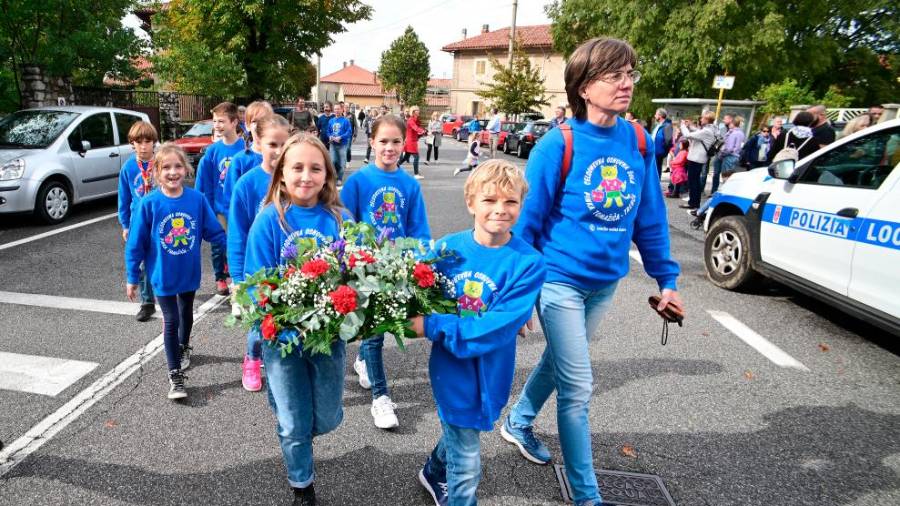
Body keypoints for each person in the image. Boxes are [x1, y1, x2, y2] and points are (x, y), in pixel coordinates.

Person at [499, 37, 682, 506]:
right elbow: (527, 228)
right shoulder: (555, 145)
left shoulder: (638, 140)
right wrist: (519, 299)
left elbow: (650, 217)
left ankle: (519, 420)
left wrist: (667, 281)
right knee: (577, 387)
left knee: (559, 364)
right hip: (558, 280)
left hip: (606, 283)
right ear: (583, 86)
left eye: (630, 74)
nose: (626, 84)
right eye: (614, 75)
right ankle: (587, 496)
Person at [411, 160, 545, 506]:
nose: (500, 210)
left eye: (510, 202)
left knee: (465, 428)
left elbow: (494, 328)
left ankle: (434, 469)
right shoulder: (445, 251)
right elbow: (409, 286)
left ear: (520, 205)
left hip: (494, 367)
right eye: (489, 200)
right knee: (468, 462)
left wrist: (432, 324)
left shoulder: (528, 263)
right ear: (471, 202)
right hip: (452, 368)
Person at [243, 133, 348, 506]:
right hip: (281, 338)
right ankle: (301, 484)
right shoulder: (270, 220)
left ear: (327, 174)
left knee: (327, 418)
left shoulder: (339, 218)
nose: (306, 176)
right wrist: (272, 309)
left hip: (328, 336)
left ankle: (298, 428)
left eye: (315, 168)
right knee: (293, 422)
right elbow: (255, 278)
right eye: (297, 167)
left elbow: (355, 270)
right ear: (282, 174)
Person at [341, 114, 431, 430]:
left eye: (396, 142)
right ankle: (381, 398)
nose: (390, 148)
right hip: (366, 268)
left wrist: (420, 259)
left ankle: (364, 359)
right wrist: (356, 253)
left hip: (397, 269)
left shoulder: (408, 184)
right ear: (372, 142)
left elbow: (418, 227)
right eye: (384, 141)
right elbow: (344, 221)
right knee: (375, 333)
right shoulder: (358, 181)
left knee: (384, 329)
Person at [125, 143, 226, 400]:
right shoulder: (149, 204)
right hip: (162, 275)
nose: (173, 172)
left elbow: (214, 232)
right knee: (171, 320)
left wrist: (236, 256)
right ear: (156, 172)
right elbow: (136, 244)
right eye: (166, 167)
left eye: (178, 166)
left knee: (186, 313)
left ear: (186, 169)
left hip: (189, 272)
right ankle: (175, 375)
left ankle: (183, 346)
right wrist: (132, 277)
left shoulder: (196, 199)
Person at [227, 115, 291, 393]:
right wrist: (239, 280)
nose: (278, 150)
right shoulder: (247, 184)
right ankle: (252, 358)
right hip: (257, 271)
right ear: (258, 143)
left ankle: (282, 362)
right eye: (272, 144)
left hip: (290, 268)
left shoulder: (295, 180)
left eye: (284, 144)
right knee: (259, 324)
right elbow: (237, 234)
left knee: (287, 320)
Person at [195, 102, 246, 295]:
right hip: (219, 207)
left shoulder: (244, 148)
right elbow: (204, 181)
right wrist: (204, 206)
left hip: (239, 207)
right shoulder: (212, 151)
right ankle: (220, 277)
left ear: (234, 122)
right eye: (215, 121)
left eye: (221, 121)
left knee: (239, 242)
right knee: (218, 244)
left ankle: (238, 275)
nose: (217, 125)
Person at [117, 121, 159, 322]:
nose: (143, 146)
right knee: (141, 261)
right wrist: (125, 224)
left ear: (154, 142)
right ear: (132, 143)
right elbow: (124, 199)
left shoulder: (161, 162)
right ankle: (147, 302)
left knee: (162, 257)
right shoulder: (128, 167)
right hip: (138, 222)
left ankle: (169, 289)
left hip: (160, 219)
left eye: (147, 141)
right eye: (138, 142)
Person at [225, 100, 274, 212]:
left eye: (264, 120)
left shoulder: (282, 158)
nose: (260, 125)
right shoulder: (240, 160)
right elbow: (230, 200)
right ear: (247, 125)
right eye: (255, 121)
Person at [679, 111, 720, 210]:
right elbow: (697, 132)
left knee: (693, 182)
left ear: (706, 119)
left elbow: (688, 135)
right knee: (695, 181)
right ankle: (694, 202)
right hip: (699, 158)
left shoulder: (706, 131)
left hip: (696, 159)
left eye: (702, 118)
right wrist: (690, 125)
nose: (700, 119)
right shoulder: (712, 129)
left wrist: (683, 126)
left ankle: (693, 203)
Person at [708, 115, 746, 193]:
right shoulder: (740, 133)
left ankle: (724, 193)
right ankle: (724, 192)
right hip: (734, 156)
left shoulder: (733, 133)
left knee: (726, 177)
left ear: (732, 123)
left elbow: (729, 148)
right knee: (728, 176)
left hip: (728, 156)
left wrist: (722, 154)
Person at [327, 102, 352, 184]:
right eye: (335, 109)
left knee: (342, 163)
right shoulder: (331, 121)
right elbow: (328, 131)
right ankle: (334, 176)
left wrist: (340, 137)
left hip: (342, 145)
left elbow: (349, 132)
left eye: (338, 109)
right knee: (333, 161)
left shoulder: (346, 120)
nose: (336, 111)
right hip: (333, 145)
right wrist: (330, 136)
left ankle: (339, 178)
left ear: (342, 110)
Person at [400, 105, 427, 180]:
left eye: (418, 110)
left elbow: (418, 128)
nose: (419, 111)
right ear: (413, 112)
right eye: (417, 110)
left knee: (406, 157)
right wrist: (422, 131)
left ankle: (393, 168)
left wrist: (425, 132)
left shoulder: (416, 119)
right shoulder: (411, 120)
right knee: (416, 157)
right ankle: (416, 174)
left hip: (412, 140)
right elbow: (415, 128)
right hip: (410, 141)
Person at [651, 108, 673, 176]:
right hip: (654, 150)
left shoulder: (667, 126)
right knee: (654, 170)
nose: (655, 116)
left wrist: (663, 150)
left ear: (660, 116)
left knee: (657, 170)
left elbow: (668, 141)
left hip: (659, 152)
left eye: (656, 114)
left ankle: (656, 185)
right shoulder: (658, 125)